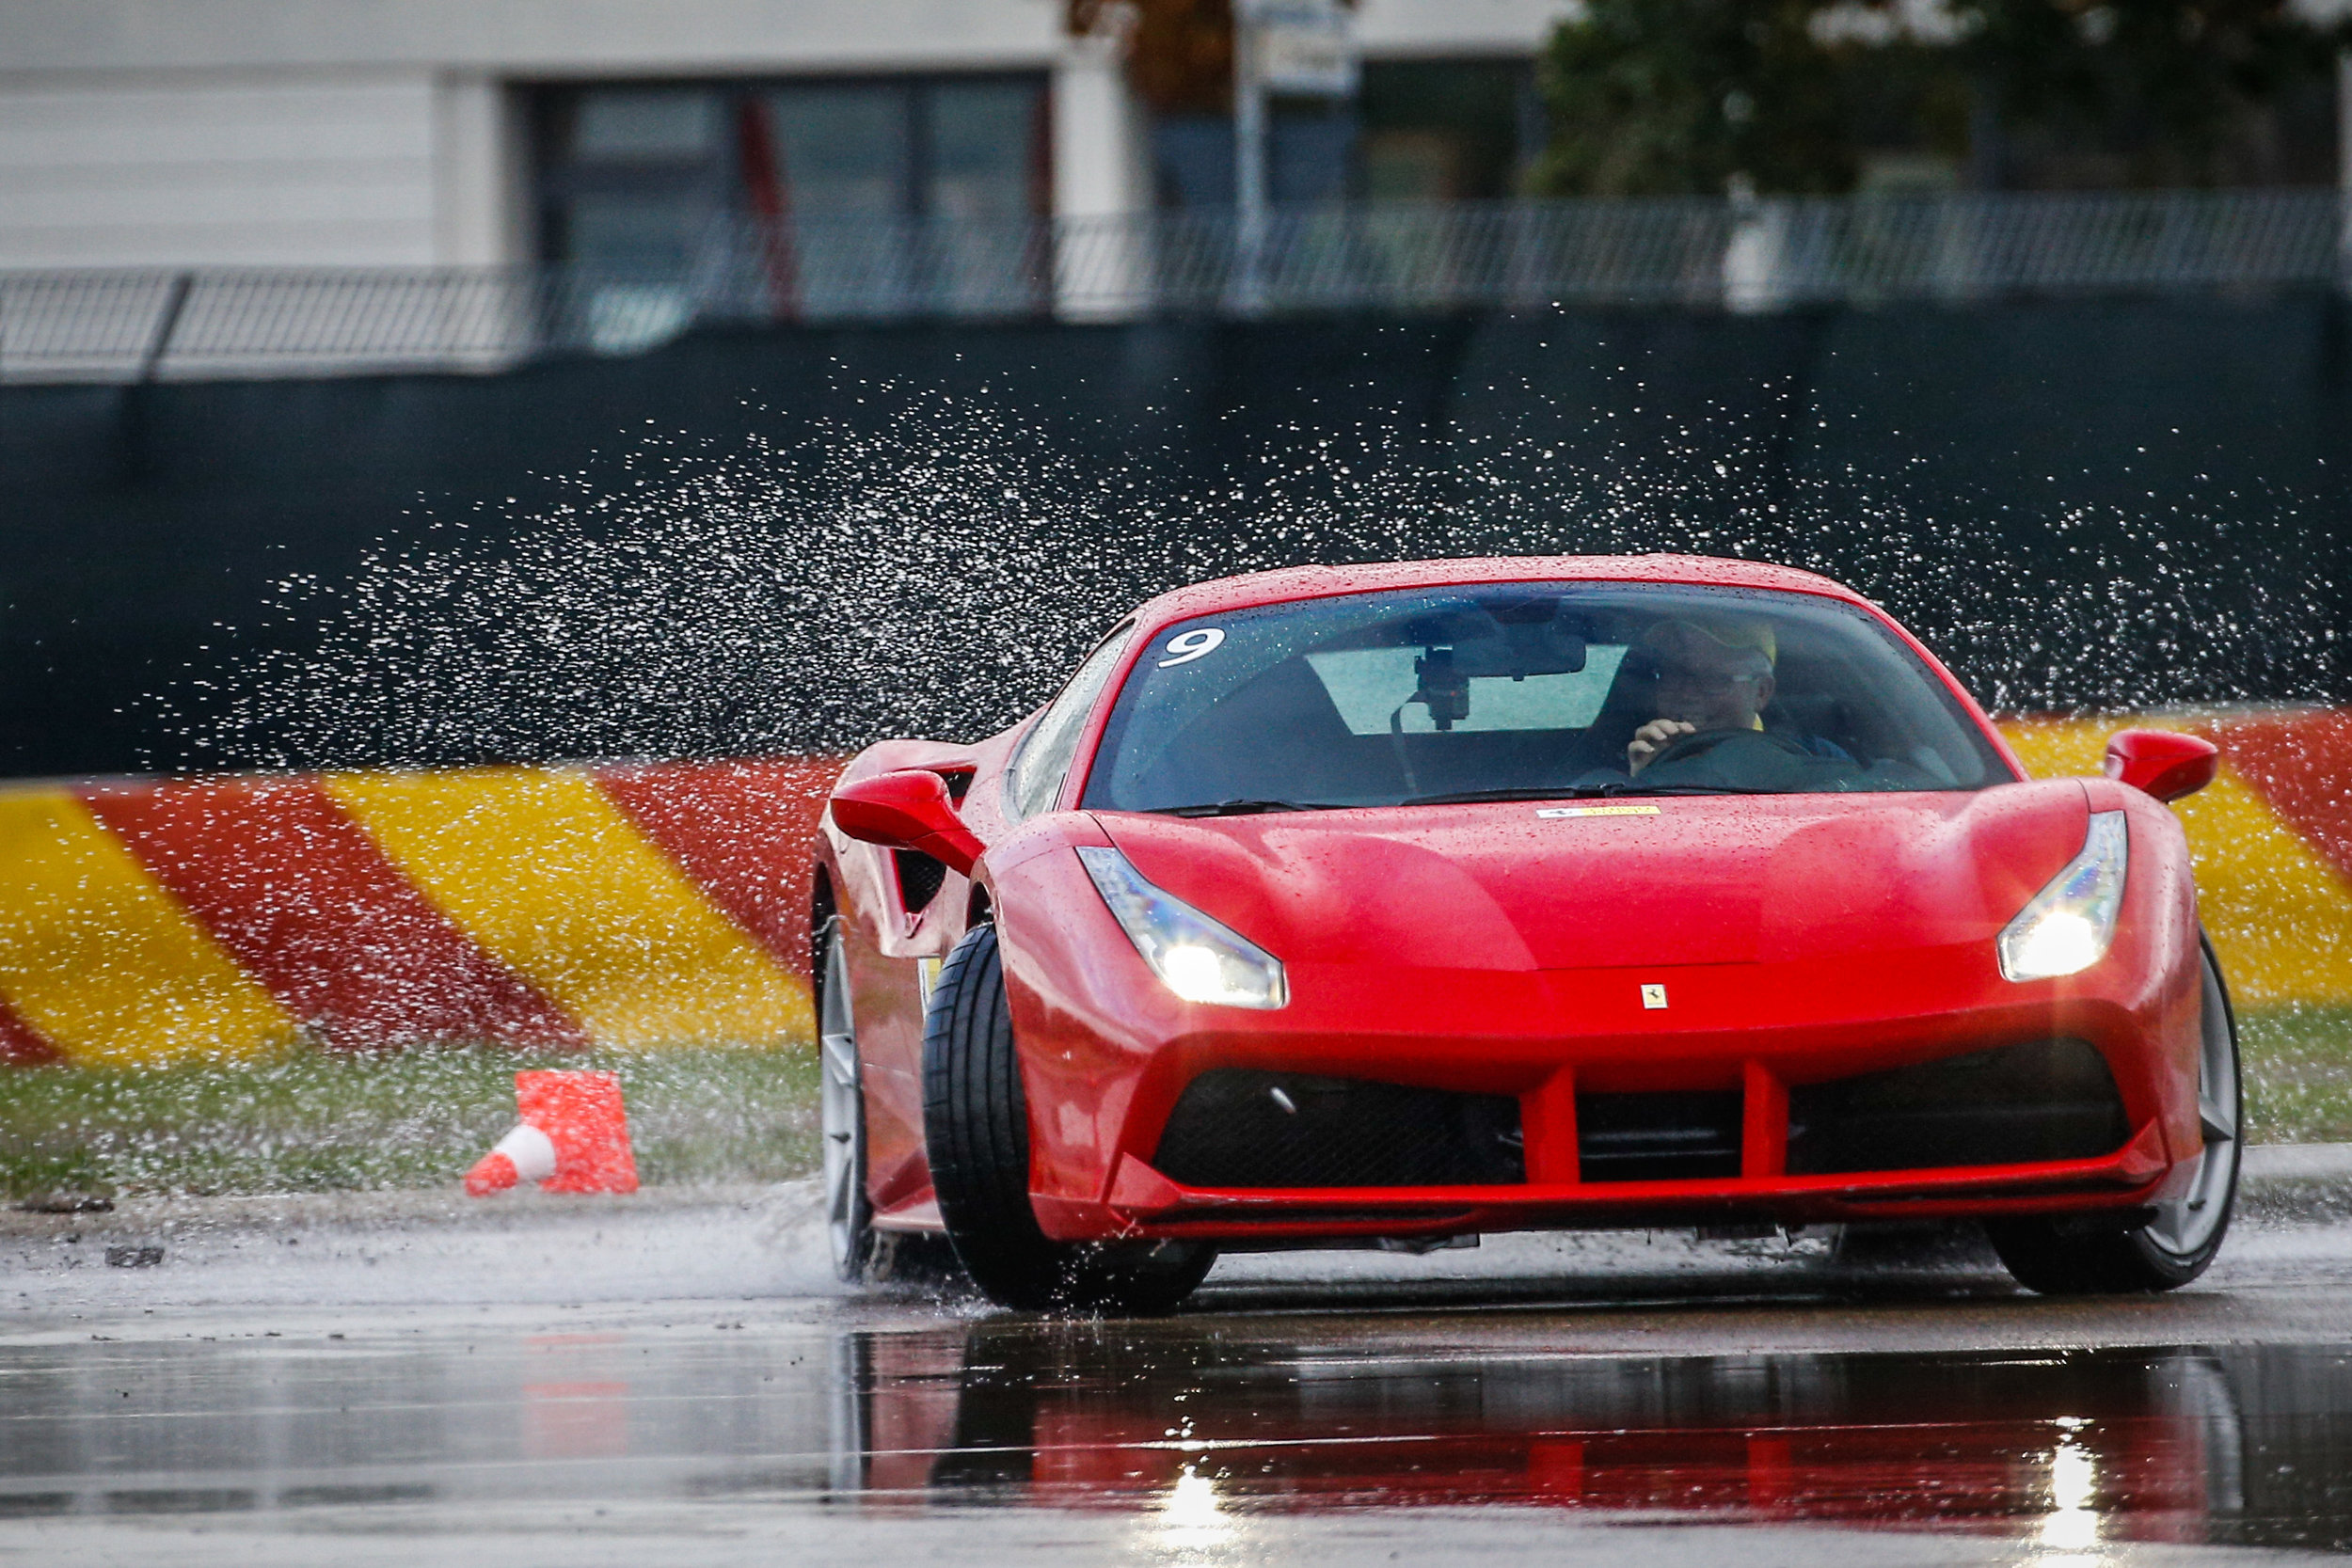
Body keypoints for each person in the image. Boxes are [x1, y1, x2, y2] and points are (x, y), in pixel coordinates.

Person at [1625, 617, 1845, 775]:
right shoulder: (1610, 768)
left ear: (1761, 692)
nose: (1687, 694)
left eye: (1712, 679)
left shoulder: (1817, 760)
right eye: (1673, 675)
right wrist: (1644, 781)